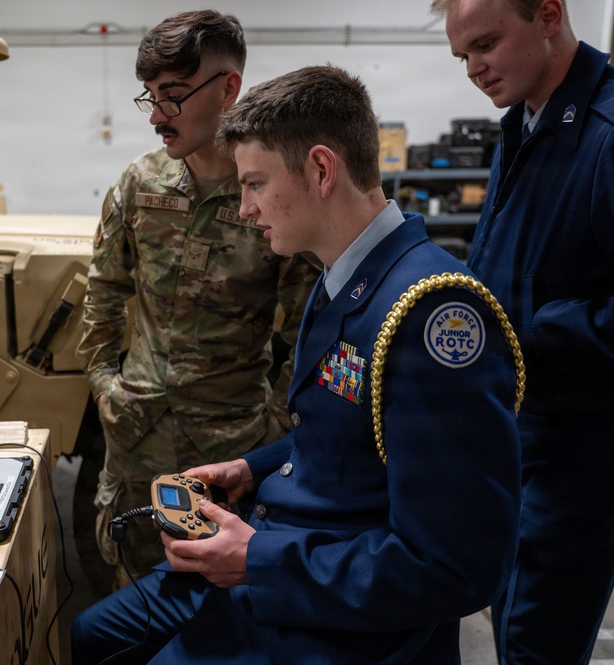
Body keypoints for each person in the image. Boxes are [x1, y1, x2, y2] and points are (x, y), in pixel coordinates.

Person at [71, 64, 524, 665]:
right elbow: (346, 438)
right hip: (286, 549)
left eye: (254, 184)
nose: (245, 208)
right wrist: (251, 468)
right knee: (90, 634)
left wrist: (255, 560)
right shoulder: (343, 275)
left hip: (337, 610)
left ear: (320, 169)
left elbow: (455, 568)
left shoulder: (430, 313)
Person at [432, 0, 614, 662]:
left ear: (548, 14)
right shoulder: (523, 123)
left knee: (538, 639)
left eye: (486, 44)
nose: (473, 68)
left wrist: (532, 332)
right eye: (460, 55)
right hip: (517, 429)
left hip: (583, 443)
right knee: (509, 615)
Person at [77, 10, 319, 586]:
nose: (158, 115)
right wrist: (105, 385)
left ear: (229, 87)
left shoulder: (266, 194)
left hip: (228, 449)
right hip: (136, 435)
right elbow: (104, 287)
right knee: (132, 600)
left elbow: (306, 326)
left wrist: (273, 424)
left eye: (174, 96)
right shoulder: (142, 183)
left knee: (220, 609)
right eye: (150, 97)